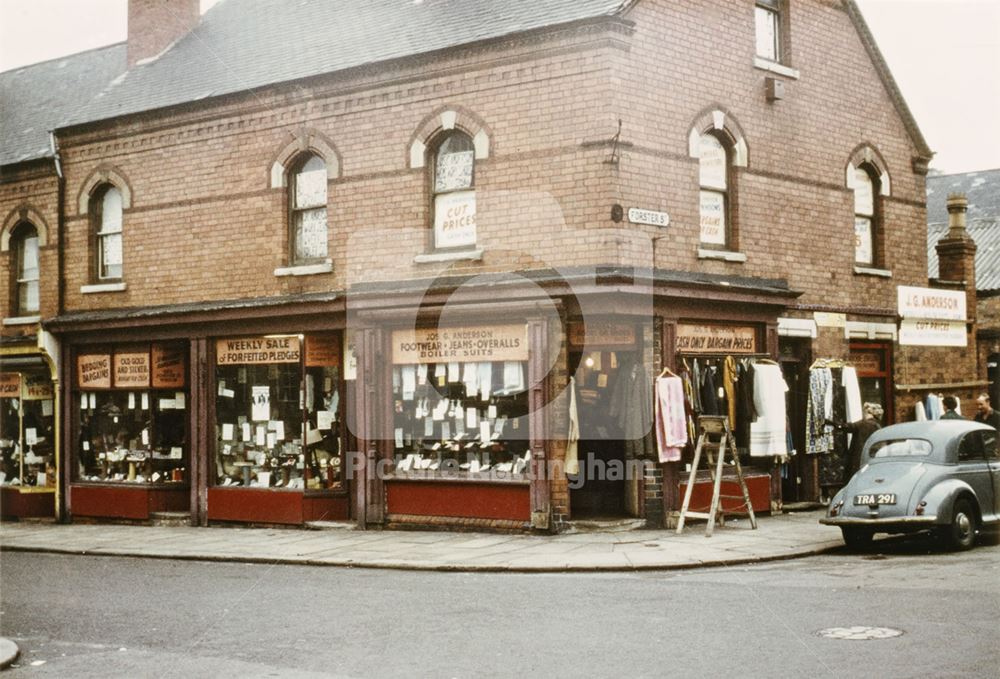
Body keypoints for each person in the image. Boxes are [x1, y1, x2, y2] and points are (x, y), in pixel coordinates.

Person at [832, 402, 883, 480]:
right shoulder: (877, 426)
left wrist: (831, 423)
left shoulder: (862, 424)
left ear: (867, 412)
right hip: (871, 457)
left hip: (858, 458)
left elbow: (845, 427)